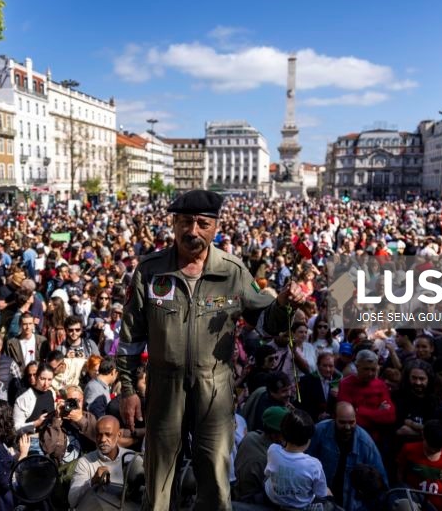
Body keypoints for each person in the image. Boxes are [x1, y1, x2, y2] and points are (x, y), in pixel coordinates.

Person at [118, 189, 304, 511]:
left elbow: (265, 322)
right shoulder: (150, 271)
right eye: (186, 222)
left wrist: (284, 305)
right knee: (158, 479)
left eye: (203, 223)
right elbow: (131, 336)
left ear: (215, 227)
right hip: (164, 387)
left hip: (215, 389)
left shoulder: (232, 271)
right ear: (174, 224)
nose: (193, 231)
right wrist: (128, 388)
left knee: (217, 479)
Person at [307, 402, 387, 510]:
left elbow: (380, 483)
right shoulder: (320, 431)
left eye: (352, 422)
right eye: (342, 422)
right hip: (323, 499)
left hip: (352, 504)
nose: (348, 427)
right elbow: (305, 461)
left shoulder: (365, 443)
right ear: (334, 418)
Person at [264, 408, 328, 510]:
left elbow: (267, 473)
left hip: (274, 499)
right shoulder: (314, 464)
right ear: (308, 440)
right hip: (301, 506)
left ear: (283, 435)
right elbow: (321, 493)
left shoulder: (273, 450)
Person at [68, 415, 135, 509]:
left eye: (108, 434)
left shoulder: (131, 458)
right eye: (99, 435)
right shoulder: (85, 462)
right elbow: (72, 500)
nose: (103, 439)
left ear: (118, 435)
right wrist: (92, 481)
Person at [396, 420, 442, 511]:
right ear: (423, 436)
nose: (433, 451)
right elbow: (400, 472)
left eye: (437, 449)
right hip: (412, 504)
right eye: (430, 447)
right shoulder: (409, 450)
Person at [337, 349, 396, 442]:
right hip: (352, 438)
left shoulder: (380, 385)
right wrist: (378, 412)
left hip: (376, 439)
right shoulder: (345, 384)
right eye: (366, 369)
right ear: (357, 367)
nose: (370, 373)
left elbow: (390, 416)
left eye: (373, 369)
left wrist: (359, 410)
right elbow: (346, 418)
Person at [232, 406, 288, 504]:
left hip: (237, 491)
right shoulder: (269, 458)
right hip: (251, 501)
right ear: (275, 435)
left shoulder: (251, 436)